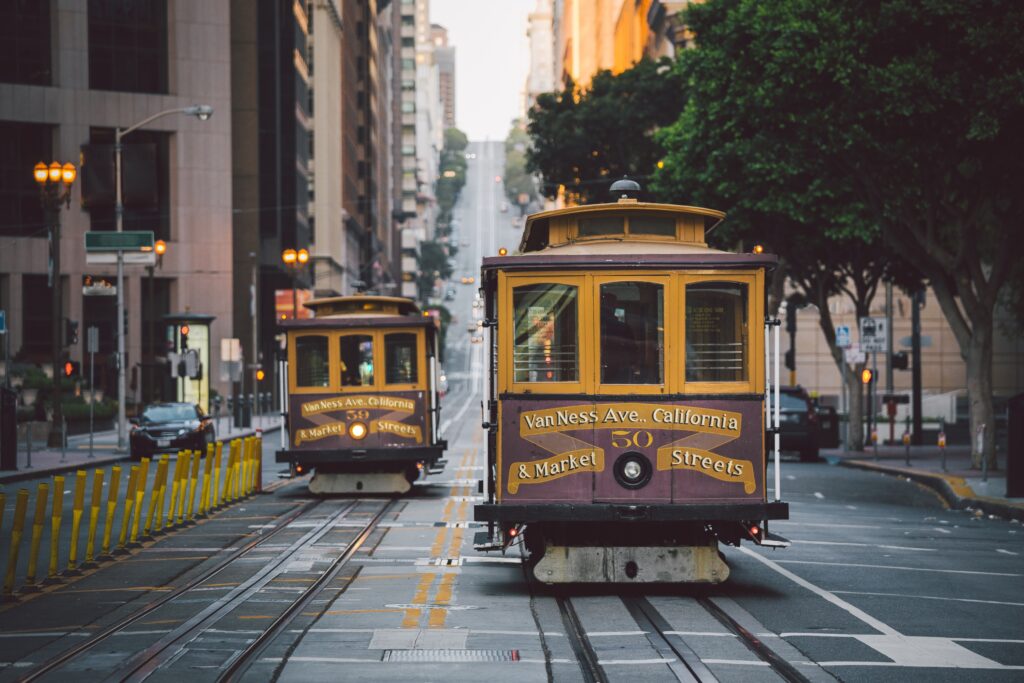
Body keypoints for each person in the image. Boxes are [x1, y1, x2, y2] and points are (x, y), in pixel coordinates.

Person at [600, 292, 637, 383]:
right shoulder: (620, 326)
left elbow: (632, 346)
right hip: (612, 363)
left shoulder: (622, 327)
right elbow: (632, 347)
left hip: (617, 364)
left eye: (611, 304)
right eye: (607, 304)